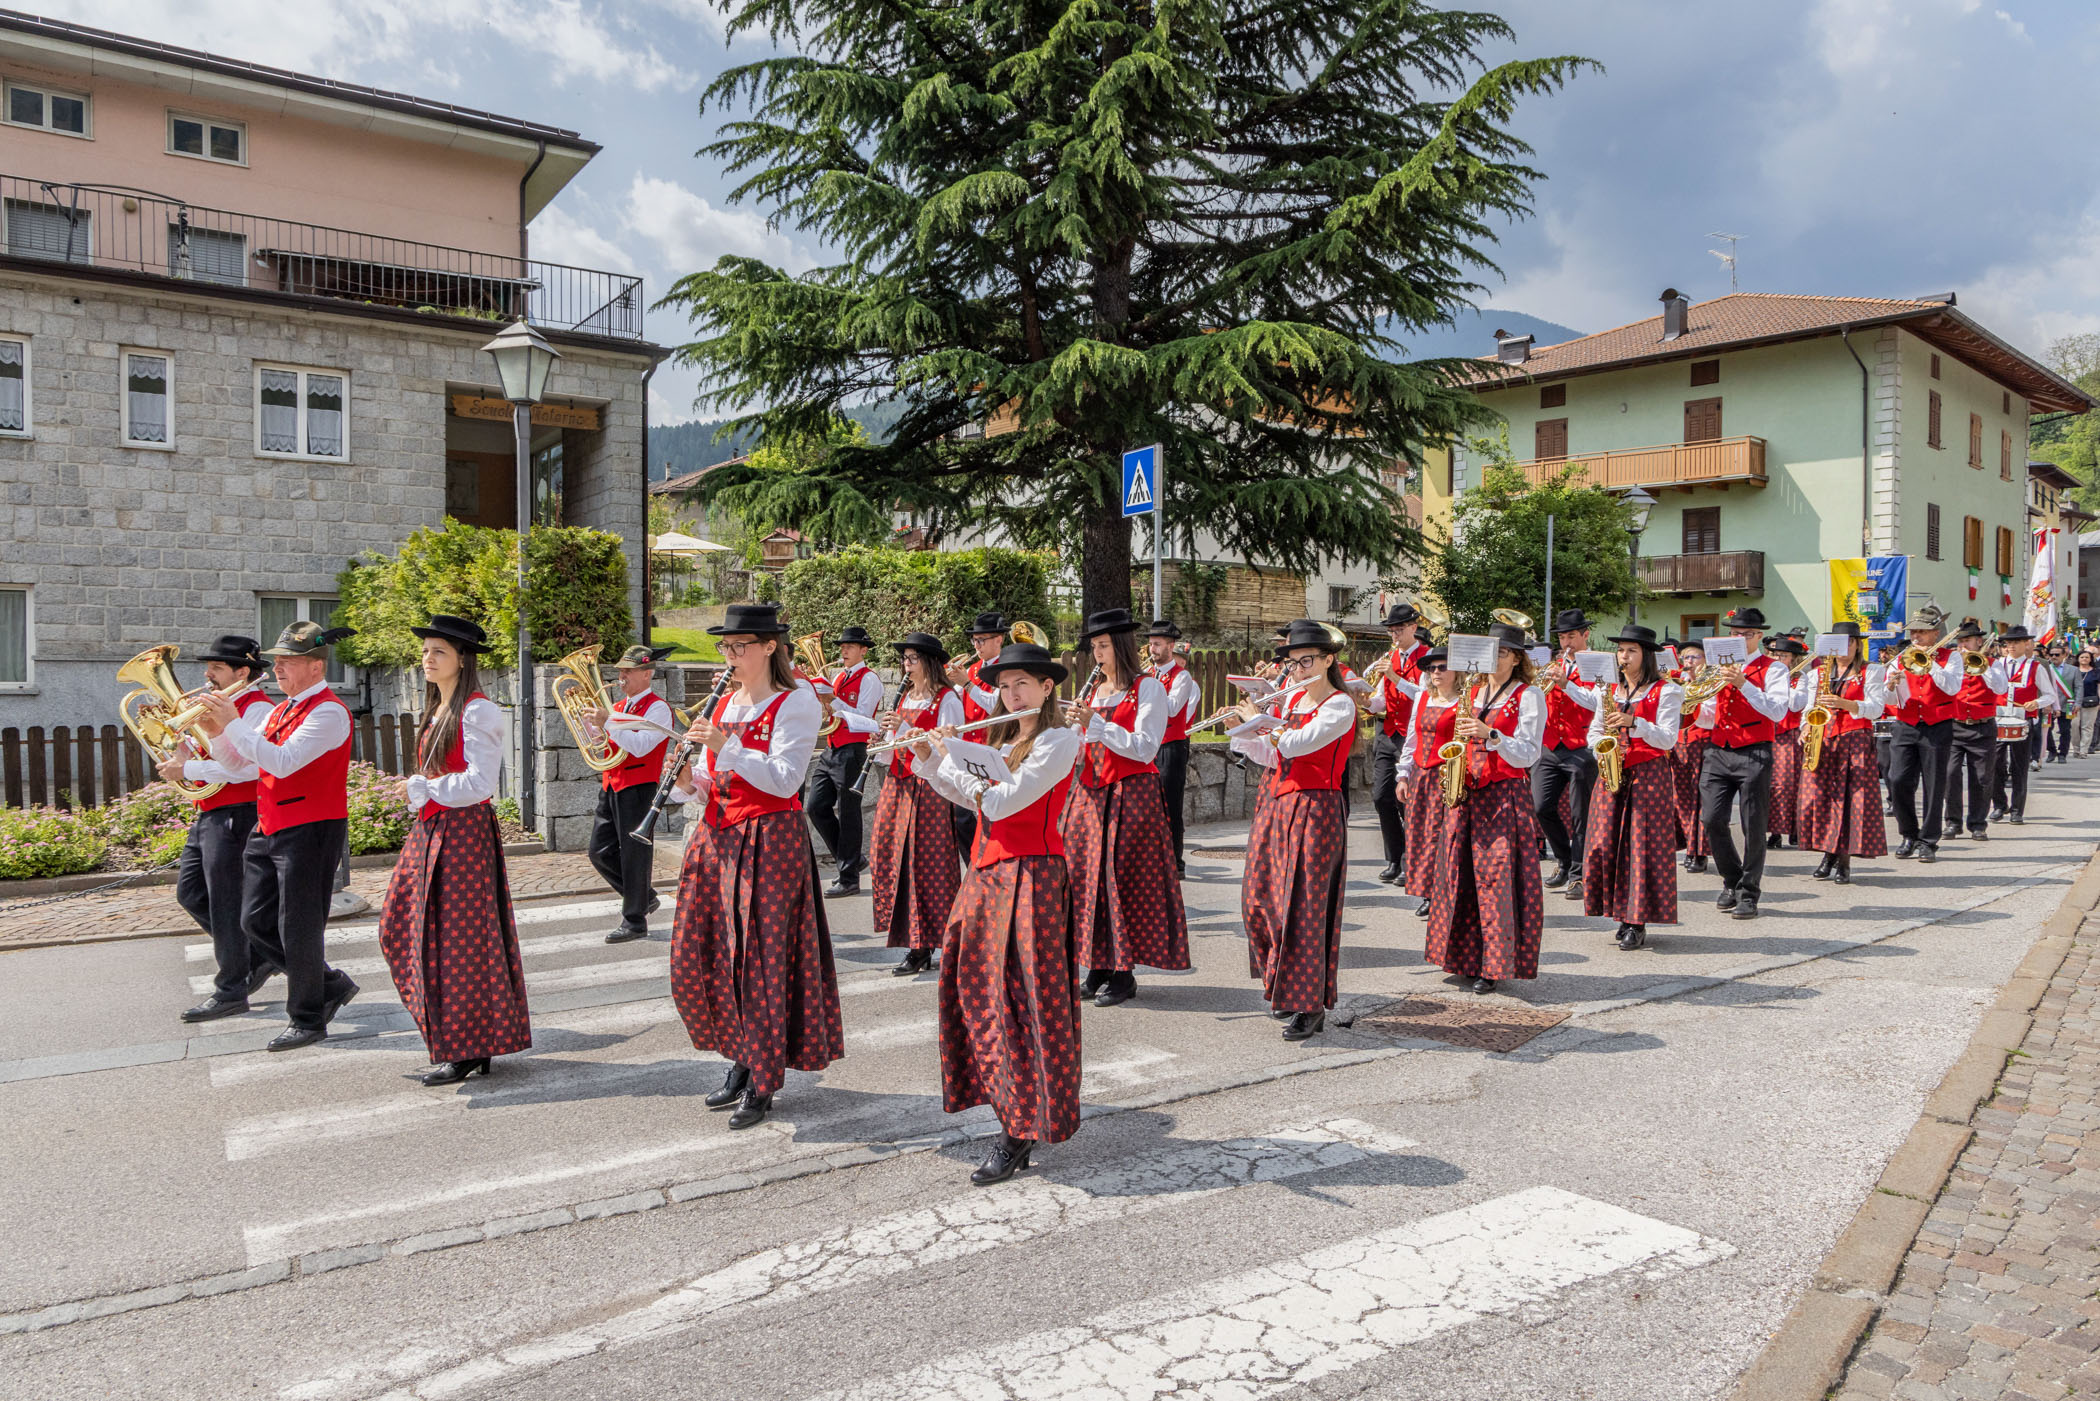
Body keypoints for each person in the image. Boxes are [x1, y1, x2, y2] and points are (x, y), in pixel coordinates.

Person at [667, 603, 843, 1131]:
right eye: (725, 646)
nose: (729, 655)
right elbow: (710, 782)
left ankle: (763, 1077)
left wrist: (727, 745)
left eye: (738, 646)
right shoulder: (723, 702)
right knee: (714, 952)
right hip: (717, 837)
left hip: (770, 838)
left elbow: (785, 780)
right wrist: (686, 783)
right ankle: (741, 1057)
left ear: (769, 647)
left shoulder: (797, 700)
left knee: (761, 960)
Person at [914, 641, 1082, 1186]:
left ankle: (1020, 1128)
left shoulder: (1059, 740)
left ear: (1047, 687)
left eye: (1022, 684)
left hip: (1032, 877)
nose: (1012, 694)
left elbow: (1004, 802)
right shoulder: (1002, 739)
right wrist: (930, 756)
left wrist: (951, 759)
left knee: (1025, 1000)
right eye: (1005, 686)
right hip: (987, 876)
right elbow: (972, 799)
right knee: (975, 990)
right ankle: (1008, 1106)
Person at [192, 621, 361, 1052]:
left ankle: (307, 1017)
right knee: (253, 921)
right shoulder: (281, 710)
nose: (278, 668)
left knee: (298, 928)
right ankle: (328, 984)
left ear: (316, 666)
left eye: (288, 661)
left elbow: (282, 762)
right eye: (277, 660)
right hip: (271, 824)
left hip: (311, 827)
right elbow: (240, 763)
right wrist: (217, 730)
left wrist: (233, 722)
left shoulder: (328, 712)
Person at [377, 615, 531, 1085]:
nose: (428, 658)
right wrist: (421, 792)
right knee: (401, 926)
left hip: (463, 833)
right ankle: (463, 1040)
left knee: (458, 943)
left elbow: (481, 783)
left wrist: (423, 787)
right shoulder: (441, 707)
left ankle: (468, 1047)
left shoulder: (477, 711)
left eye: (438, 651)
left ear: (463, 659)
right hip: (435, 828)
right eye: (425, 651)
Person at [1062, 608, 1191, 1007]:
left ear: (1120, 646)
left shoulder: (1147, 688)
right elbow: (1081, 744)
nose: (1097, 654)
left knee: (1124, 881)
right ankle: (1097, 965)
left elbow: (1145, 747)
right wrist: (1071, 729)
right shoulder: (1093, 690)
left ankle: (1124, 973)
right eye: (1094, 647)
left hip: (1131, 793)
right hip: (1091, 793)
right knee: (1088, 878)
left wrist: (1097, 725)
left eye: (1103, 646)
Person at [1237, 621, 1358, 1040]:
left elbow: (1295, 744)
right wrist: (1243, 729)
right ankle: (1284, 985)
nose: (1298, 670)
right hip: (1277, 802)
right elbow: (1271, 755)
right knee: (1260, 899)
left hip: (1316, 809)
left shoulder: (1340, 706)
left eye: (1306, 661)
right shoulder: (1291, 700)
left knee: (1304, 908)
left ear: (1328, 660)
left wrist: (1261, 723)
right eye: (1293, 663)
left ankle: (1309, 1005)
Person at [1429, 621, 1544, 995]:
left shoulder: (1529, 695)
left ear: (1517, 659)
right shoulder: (1474, 692)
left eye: (1503, 652)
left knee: (1495, 880)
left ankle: (1493, 964)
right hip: (1467, 793)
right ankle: (1464, 957)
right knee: (1460, 875)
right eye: (1492, 652)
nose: (1495, 659)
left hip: (1503, 795)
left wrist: (1490, 734)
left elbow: (1529, 752)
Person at [169, 636, 275, 1023]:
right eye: (208, 667)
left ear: (242, 672)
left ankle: (231, 989)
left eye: (216, 668)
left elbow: (247, 768)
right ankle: (258, 956)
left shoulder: (257, 708)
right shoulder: (212, 706)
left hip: (239, 812)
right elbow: (202, 750)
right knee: (191, 893)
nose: (207, 674)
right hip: (210, 811)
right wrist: (180, 752)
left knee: (225, 904)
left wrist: (189, 768)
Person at [1581, 626, 1683, 950]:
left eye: (1631, 651)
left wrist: (1634, 723)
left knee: (1640, 847)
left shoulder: (1667, 691)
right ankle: (1619, 913)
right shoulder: (1609, 690)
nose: (1623, 657)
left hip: (1648, 774)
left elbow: (1668, 738)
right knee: (1605, 842)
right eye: (1621, 650)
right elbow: (1594, 731)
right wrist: (1601, 749)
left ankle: (1636, 921)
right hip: (1612, 771)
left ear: (1646, 655)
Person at [870, 632, 964, 975]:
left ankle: (929, 944)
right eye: (904, 659)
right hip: (898, 785)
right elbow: (894, 747)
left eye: (912, 659)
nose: (906, 665)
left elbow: (951, 747)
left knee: (927, 864)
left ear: (929, 662)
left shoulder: (947, 699)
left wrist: (907, 728)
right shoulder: (905, 696)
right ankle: (911, 937)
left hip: (930, 786)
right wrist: (880, 742)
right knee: (889, 855)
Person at [1695, 607, 1791, 919]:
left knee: (1753, 825)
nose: (1739, 638)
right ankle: (1731, 879)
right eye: (1735, 633)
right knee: (1711, 818)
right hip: (1718, 750)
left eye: (1746, 634)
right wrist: (1692, 701)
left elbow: (1778, 711)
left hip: (1754, 750)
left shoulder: (1774, 669)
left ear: (1759, 636)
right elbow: (1708, 717)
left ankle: (1749, 892)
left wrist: (1743, 684)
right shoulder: (1716, 668)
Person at [585, 644, 676, 944]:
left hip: (639, 787)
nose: (621, 676)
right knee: (599, 852)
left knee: (635, 855)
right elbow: (607, 744)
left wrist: (608, 722)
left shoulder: (658, 708)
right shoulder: (618, 707)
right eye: (621, 670)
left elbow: (640, 747)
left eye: (629, 671)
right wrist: (593, 729)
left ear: (647, 674)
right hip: (612, 783)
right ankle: (644, 897)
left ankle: (635, 921)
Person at [1798, 623, 1888, 883]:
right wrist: (1805, 726)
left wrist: (1845, 704)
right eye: (1838, 642)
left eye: (1849, 642)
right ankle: (1828, 853)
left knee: (1851, 802)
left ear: (1857, 645)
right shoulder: (1817, 674)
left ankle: (1843, 861)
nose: (1843, 648)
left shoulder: (1871, 671)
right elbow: (1809, 707)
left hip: (1855, 739)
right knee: (1822, 799)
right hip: (1824, 739)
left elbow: (1876, 709)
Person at [805, 625, 883, 896]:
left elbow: (864, 718)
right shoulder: (838, 677)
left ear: (863, 650)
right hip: (832, 748)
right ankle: (851, 859)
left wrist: (833, 700)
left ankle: (849, 879)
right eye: (842, 647)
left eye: (849, 646)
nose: (844, 651)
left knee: (849, 813)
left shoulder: (870, 679)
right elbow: (830, 710)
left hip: (853, 749)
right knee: (816, 807)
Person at [1883, 606, 1962, 863]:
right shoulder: (1900, 658)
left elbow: (1952, 688)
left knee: (1934, 785)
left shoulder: (1951, 658)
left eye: (1922, 632)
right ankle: (1909, 834)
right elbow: (1888, 699)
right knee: (1897, 779)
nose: (1916, 637)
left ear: (1935, 634)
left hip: (1936, 724)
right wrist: (1891, 685)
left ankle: (1928, 841)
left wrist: (1930, 664)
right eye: (1913, 632)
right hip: (1905, 724)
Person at [1532, 610, 1601, 901]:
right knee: (1541, 806)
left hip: (1581, 746)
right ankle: (1563, 860)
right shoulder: (1553, 665)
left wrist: (1566, 685)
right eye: (1562, 637)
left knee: (1580, 815)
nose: (1566, 642)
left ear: (1585, 634)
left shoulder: (1597, 664)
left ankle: (1578, 875)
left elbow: (1596, 702)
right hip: (1550, 745)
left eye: (1571, 636)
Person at [1363, 604, 1428, 886]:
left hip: (1413, 734)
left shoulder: (1428, 659)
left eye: (1399, 629)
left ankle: (1411, 860)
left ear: (1413, 628)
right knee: (1381, 797)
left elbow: (1424, 695)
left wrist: (1394, 677)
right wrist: (1366, 702)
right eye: (1391, 631)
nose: (1394, 635)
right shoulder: (1389, 658)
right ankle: (1394, 857)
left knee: (1407, 801)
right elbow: (1381, 700)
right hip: (1387, 733)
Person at [1398, 646, 1459, 920]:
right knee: (1418, 834)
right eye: (1431, 668)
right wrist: (1403, 774)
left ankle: (1441, 893)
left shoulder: (1465, 701)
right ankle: (1426, 892)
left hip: (1447, 776)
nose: (1436, 672)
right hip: (1421, 776)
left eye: (1442, 667)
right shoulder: (1423, 697)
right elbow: (1412, 738)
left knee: (1441, 835)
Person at [947, 612, 1010, 854]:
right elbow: (955, 702)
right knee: (962, 817)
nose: (976, 646)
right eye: (974, 640)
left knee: (991, 814)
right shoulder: (972, 670)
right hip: (969, 749)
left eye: (982, 640)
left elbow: (997, 706)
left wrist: (966, 684)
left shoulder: (1006, 670)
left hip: (994, 749)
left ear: (999, 640)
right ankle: (973, 864)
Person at [1940, 622, 2009, 840]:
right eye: (1960, 642)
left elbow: (2001, 688)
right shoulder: (1953, 665)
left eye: (1967, 641)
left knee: (1981, 778)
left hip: (1982, 727)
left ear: (1979, 642)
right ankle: (1953, 822)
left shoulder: (1993, 664)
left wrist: (1982, 666)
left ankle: (1978, 824)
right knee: (1950, 774)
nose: (1962, 646)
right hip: (1954, 725)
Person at [1144, 620, 1200, 878]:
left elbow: (1172, 708)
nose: (1152, 649)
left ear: (1170, 646)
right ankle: (1152, 858)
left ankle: (1176, 862)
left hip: (1172, 746)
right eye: (1150, 644)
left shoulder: (1182, 677)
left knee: (1171, 804)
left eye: (1157, 644)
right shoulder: (1148, 674)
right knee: (1148, 803)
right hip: (1149, 744)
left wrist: (1149, 688)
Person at [1993, 627, 2051, 822]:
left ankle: (2017, 810)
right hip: (1998, 720)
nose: (2011, 646)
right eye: (2008, 643)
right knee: (1995, 764)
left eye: (2016, 643)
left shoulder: (2035, 667)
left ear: (2026, 644)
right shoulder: (1996, 665)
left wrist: (2037, 702)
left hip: (2023, 721)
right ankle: (1999, 805)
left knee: (2019, 767)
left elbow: (2049, 694)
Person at [1762, 635, 1810, 850]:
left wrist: (1782, 684)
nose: (1778, 659)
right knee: (1768, 785)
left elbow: (1796, 704)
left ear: (1794, 658)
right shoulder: (1768, 673)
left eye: (1784, 656)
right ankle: (1774, 831)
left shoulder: (1800, 678)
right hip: (1767, 733)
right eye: (1776, 655)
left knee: (1786, 784)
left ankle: (1793, 829)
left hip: (1787, 734)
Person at [1672, 639, 1713, 875]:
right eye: (1686, 657)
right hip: (1679, 743)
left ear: (1705, 660)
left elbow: (1709, 714)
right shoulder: (1679, 681)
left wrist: (1695, 695)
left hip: (1702, 742)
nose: (1689, 661)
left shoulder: (1709, 683)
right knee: (1682, 799)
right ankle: (1689, 845)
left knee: (1701, 800)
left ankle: (1701, 851)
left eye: (1695, 657)